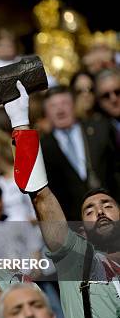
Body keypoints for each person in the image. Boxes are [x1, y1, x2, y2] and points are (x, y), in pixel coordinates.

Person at [3, 80, 120, 318]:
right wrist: (21, 123)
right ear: (80, 230)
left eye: (107, 204)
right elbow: (41, 197)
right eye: (89, 211)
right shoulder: (75, 259)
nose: (99, 211)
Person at [39, 85, 119, 220]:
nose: (60, 109)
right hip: (76, 224)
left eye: (64, 103)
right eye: (53, 106)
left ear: (74, 105)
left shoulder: (101, 128)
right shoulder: (44, 147)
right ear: (46, 113)